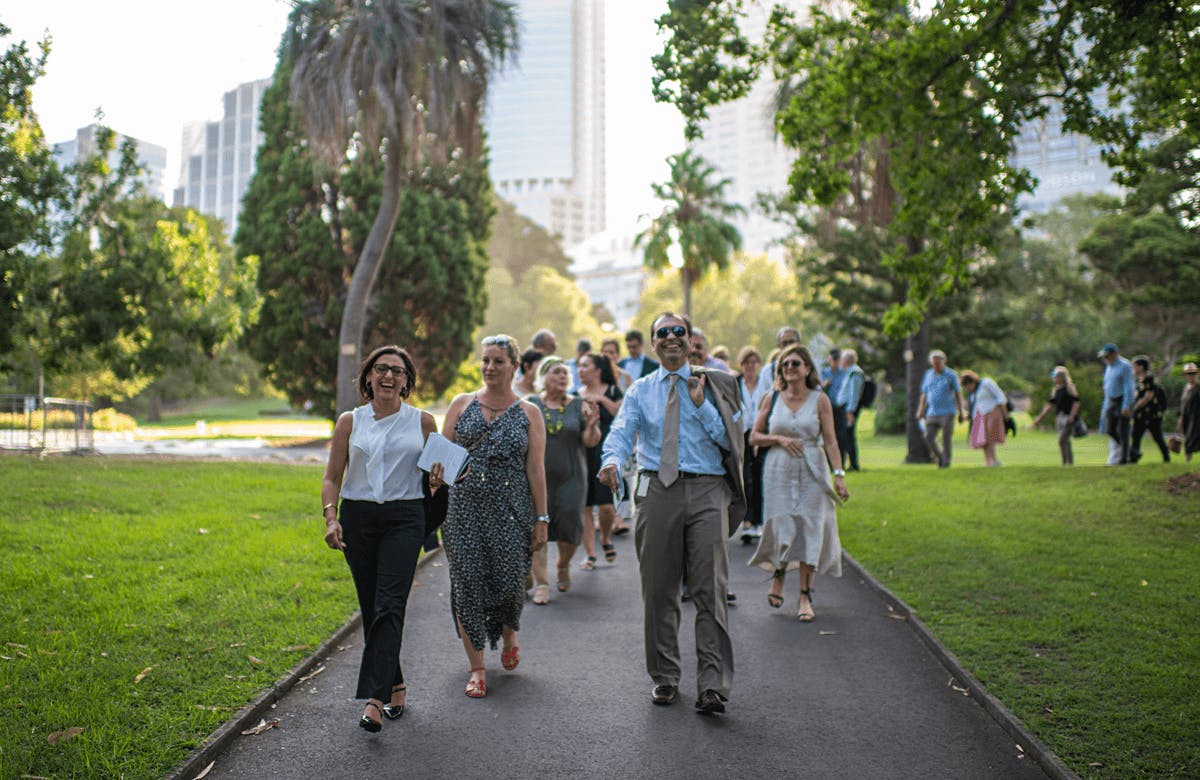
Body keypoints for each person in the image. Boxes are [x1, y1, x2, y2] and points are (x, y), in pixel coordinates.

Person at [599, 312, 745, 715]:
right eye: (662, 333)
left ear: (690, 339)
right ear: (653, 343)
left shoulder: (716, 385)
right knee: (658, 589)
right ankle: (665, 676)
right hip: (656, 491)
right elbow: (621, 432)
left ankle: (712, 685)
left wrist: (702, 406)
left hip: (707, 490)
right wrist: (611, 461)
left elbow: (732, 441)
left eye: (678, 331)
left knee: (709, 590)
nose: (671, 337)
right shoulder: (640, 390)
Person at [321, 346, 438, 732]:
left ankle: (375, 699)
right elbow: (332, 477)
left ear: (407, 382)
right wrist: (331, 517)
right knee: (373, 607)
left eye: (397, 371)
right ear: (368, 377)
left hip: (405, 518)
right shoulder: (349, 422)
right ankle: (396, 684)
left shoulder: (423, 422)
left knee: (389, 604)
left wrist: (438, 481)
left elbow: (440, 475)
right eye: (381, 368)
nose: (389, 375)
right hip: (358, 520)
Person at [440, 335, 550, 698]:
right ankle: (477, 668)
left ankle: (508, 633)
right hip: (462, 511)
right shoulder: (461, 404)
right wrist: (433, 486)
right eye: (485, 360)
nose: (489, 367)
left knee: (508, 582)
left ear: (514, 366)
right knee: (466, 583)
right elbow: (440, 460)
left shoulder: (529, 413)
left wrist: (542, 518)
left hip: (511, 512)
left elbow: (536, 469)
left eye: (498, 361)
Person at [748, 344, 850, 621]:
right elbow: (754, 437)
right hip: (778, 470)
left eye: (795, 363)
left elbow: (831, 441)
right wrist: (778, 439)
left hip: (812, 469)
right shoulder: (772, 398)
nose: (789, 368)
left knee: (810, 528)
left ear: (807, 368)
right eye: (785, 365)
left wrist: (839, 475)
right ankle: (779, 574)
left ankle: (805, 596)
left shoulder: (820, 400)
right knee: (783, 525)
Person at [525, 357, 600, 602]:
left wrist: (591, 426)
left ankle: (563, 564)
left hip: (572, 477)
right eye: (556, 372)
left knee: (570, 523)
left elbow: (590, 441)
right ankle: (542, 583)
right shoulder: (531, 404)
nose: (562, 376)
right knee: (537, 525)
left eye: (565, 373)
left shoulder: (579, 404)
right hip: (537, 477)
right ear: (544, 377)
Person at [576, 352, 624, 569]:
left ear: (597, 370)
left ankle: (605, 537)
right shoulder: (575, 395)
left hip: (607, 455)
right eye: (579, 366)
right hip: (582, 453)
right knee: (585, 506)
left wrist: (601, 400)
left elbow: (621, 415)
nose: (580, 370)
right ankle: (590, 554)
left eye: (585, 365)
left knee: (606, 507)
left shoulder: (613, 391)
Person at [735, 346, 768, 544]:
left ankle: (758, 521)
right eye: (746, 362)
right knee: (745, 478)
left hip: (760, 434)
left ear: (759, 364)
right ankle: (747, 521)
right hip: (741, 435)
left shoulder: (764, 383)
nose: (750, 366)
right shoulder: (735, 383)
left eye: (753, 362)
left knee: (759, 478)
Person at [915, 349, 965, 468]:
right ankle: (940, 457)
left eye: (938, 363)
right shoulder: (928, 375)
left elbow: (958, 393)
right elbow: (924, 394)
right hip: (932, 412)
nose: (936, 366)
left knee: (946, 438)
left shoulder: (951, 375)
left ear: (944, 361)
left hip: (948, 411)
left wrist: (961, 411)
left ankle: (946, 462)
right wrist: (920, 410)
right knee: (928, 436)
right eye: (933, 364)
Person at [1031, 366, 1082, 465]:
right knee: (1065, 441)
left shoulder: (1070, 388)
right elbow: (1050, 405)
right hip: (1059, 417)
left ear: (1061, 377)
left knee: (1062, 440)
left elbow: (1076, 403)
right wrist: (1039, 418)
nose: (1054, 378)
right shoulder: (1055, 390)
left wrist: (1072, 416)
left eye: (1055, 376)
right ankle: (1067, 463)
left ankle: (1067, 463)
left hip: (1068, 417)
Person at [960, 370, 1009, 467]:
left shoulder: (986, 383)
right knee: (983, 439)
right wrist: (969, 416)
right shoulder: (972, 393)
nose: (967, 389)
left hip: (992, 412)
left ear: (972, 382)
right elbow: (975, 405)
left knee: (990, 438)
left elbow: (1001, 397)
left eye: (967, 386)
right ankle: (989, 461)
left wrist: (1005, 414)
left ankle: (993, 461)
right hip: (980, 416)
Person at [1098, 343, 1136, 465]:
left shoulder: (1125, 366)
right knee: (1110, 429)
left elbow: (1128, 387)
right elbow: (1107, 388)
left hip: (1122, 400)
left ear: (1115, 354)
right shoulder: (1108, 367)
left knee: (1123, 431)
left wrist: (1126, 405)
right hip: (1111, 401)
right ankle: (1132, 452)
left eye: (1107, 356)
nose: (1105, 359)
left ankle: (1124, 459)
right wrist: (1105, 407)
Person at [1130, 356, 1170, 463]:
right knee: (1136, 436)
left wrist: (1135, 408)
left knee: (1157, 436)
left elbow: (1148, 396)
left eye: (1135, 366)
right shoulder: (1139, 380)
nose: (1133, 368)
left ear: (1141, 367)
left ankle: (1166, 458)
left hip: (1151, 415)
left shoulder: (1149, 378)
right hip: (1140, 415)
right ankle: (1133, 459)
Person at [835, 348, 865, 471]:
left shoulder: (855, 373)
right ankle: (845, 463)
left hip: (848, 409)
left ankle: (853, 464)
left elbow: (854, 394)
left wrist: (850, 411)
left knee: (848, 436)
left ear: (846, 360)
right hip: (845, 408)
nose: (840, 362)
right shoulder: (849, 372)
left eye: (841, 359)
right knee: (844, 436)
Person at [1177, 362, 1200, 462]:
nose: (1191, 376)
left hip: (1197, 419)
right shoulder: (1186, 388)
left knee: (1190, 440)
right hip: (1186, 418)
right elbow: (1183, 405)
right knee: (1187, 438)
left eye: (1193, 373)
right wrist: (1180, 419)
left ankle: (1187, 461)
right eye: (1189, 373)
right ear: (1185, 375)